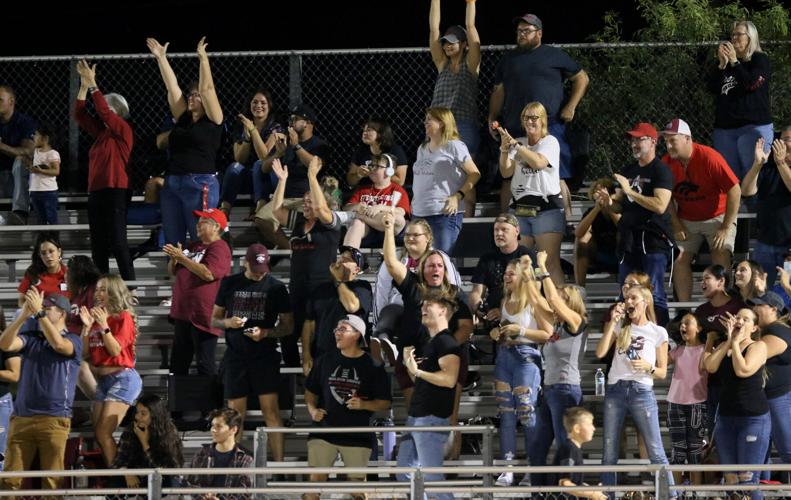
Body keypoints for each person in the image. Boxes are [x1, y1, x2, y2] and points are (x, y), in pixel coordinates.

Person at [488, 13, 589, 214]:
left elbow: (582, 78)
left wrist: (571, 106)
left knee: (557, 174)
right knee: (509, 176)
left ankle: (567, 221)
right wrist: (492, 116)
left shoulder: (554, 55)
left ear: (539, 33)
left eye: (527, 31)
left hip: (549, 125)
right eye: (519, 31)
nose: (521, 34)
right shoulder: (508, 59)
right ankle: (506, 223)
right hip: (515, 126)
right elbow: (498, 91)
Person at [380, 210, 473, 411]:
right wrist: (388, 229)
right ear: (421, 269)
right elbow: (391, 263)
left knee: (448, 418)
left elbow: (466, 326)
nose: (435, 269)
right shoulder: (412, 285)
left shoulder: (454, 293)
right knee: (416, 414)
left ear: (445, 270)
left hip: (445, 359)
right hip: (412, 355)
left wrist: (442, 348)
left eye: (439, 266)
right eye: (430, 266)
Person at [212, 243, 293, 462]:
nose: (259, 274)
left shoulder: (276, 287)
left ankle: (279, 466)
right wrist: (229, 322)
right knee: (235, 414)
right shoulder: (229, 283)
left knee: (271, 411)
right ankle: (233, 466)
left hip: (265, 355)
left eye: (263, 270)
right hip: (236, 355)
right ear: (245, 263)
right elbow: (214, 319)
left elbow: (288, 326)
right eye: (256, 270)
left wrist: (266, 332)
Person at [304, 316, 392, 500]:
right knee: (313, 486)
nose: (337, 333)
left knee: (357, 489)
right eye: (336, 329)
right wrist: (312, 410)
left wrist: (364, 405)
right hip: (324, 430)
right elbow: (310, 391)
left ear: (357, 334)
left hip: (357, 433)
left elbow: (385, 402)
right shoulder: (324, 360)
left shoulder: (373, 366)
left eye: (343, 329)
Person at [0, 290, 80, 491]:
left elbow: (59, 345)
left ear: (62, 313)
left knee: (52, 483)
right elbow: (5, 344)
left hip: (54, 418)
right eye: (41, 307)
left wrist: (39, 314)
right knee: (9, 482)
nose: (41, 310)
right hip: (21, 417)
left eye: (47, 308)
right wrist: (23, 316)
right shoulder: (32, 338)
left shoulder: (74, 339)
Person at [147, 37, 224, 245]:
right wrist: (161, 58)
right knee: (173, 243)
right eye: (190, 94)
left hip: (200, 184)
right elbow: (172, 87)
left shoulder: (214, 119)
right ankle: (177, 268)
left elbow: (208, 89)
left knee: (201, 239)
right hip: (173, 184)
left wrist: (203, 59)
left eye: (196, 95)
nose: (191, 97)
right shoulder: (183, 118)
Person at [595, 286, 673, 490]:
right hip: (615, 389)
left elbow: (662, 372)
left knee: (655, 448)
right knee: (609, 450)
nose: (629, 302)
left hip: (641, 390)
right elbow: (600, 352)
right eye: (626, 298)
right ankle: (607, 494)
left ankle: (670, 494)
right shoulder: (621, 327)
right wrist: (612, 322)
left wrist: (648, 367)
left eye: (633, 298)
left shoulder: (658, 332)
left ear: (645, 302)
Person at [596, 122, 674, 326]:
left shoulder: (661, 170)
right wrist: (608, 202)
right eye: (632, 140)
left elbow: (660, 205)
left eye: (640, 139)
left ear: (653, 141)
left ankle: (659, 337)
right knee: (627, 293)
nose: (634, 143)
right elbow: (620, 206)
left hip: (653, 240)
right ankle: (628, 337)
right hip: (629, 240)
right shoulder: (629, 170)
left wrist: (630, 191)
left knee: (654, 294)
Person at [270, 156, 341, 367]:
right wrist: (282, 180)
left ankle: (318, 375)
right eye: (305, 201)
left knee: (318, 337)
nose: (307, 204)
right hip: (298, 288)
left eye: (311, 200)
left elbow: (321, 210)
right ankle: (294, 374)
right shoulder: (299, 222)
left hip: (322, 289)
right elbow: (276, 211)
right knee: (289, 335)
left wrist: (312, 176)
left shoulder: (330, 223)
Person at [663, 118, 741, 302]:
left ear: (687, 139)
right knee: (680, 258)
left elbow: (735, 190)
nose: (668, 145)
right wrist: (676, 224)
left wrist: (725, 227)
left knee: (720, 252)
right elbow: (665, 197)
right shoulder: (666, 162)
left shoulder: (709, 157)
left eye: (672, 140)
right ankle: (683, 309)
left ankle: (723, 304)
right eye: (665, 141)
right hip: (687, 218)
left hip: (718, 216)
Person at [490, 256, 552, 487]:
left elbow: (548, 333)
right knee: (506, 413)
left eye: (511, 273)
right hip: (505, 355)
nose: (506, 277)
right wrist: (497, 333)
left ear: (522, 277)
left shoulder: (534, 300)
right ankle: (507, 469)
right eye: (505, 273)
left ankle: (531, 469)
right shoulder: (504, 300)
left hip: (527, 357)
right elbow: (505, 331)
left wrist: (521, 330)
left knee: (527, 411)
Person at [530, 251, 589, 488]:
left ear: (571, 302)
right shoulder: (556, 326)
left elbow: (551, 300)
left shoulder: (577, 322)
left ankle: (569, 490)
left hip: (566, 389)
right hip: (549, 391)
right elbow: (537, 301)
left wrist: (542, 265)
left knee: (566, 447)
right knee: (537, 447)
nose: (555, 301)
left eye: (561, 298)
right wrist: (528, 274)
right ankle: (539, 493)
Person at [396, 289, 461, 500]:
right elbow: (423, 381)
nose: (422, 309)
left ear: (442, 310)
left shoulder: (446, 342)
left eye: (428, 305)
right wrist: (410, 366)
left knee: (432, 480)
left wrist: (417, 372)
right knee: (404, 473)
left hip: (431, 418)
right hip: (417, 416)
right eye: (422, 305)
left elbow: (449, 379)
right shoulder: (430, 343)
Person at [74, 59, 136, 280]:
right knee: (98, 243)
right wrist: (84, 86)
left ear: (118, 112)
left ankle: (131, 287)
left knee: (118, 241)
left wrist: (93, 84)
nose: (102, 112)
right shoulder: (102, 134)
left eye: (108, 108)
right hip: (97, 192)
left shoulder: (123, 130)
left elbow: (104, 112)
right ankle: (101, 288)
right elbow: (79, 115)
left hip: (116, 190)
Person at [371, 218, 461, 362]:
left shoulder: (438, 258)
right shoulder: (397, 258)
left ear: (428, 238)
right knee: (390, 311)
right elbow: (382, 290)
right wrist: (377, 323)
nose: (410, 238)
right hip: (400, 308)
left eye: (415, 235)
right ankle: (383, 340)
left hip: (429, 308)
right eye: (407, 235)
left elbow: (453, 287)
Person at [703, 308, 769, 496]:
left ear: (754, 327)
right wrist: (729, 341)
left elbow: (743, 370)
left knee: (748, 481)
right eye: (738, 317)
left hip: (752, 419)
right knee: (731, 481)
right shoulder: (726, 345)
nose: (739, 320)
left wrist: (735, 343)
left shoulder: (758, 346)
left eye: (745, 319)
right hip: (726, 419)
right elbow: (710, 366)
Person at [497, 102, 565, 284]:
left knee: (548, 264)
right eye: (526, 117)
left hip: (546, 209)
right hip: (520, 208)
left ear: (543, 120)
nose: (529, 121)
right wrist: (504, 149)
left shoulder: (550, 142)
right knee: (521, 264)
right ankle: (525, 301)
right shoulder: (519, 141)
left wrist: (516, 146)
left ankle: (558, 300)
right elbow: (506, 172)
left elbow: (539, 163)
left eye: (534, 117)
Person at [78, 275, 141, 467]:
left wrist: (105, 326)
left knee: (103, 433)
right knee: (98, 434)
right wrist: (87, 328)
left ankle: (120, 478)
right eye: (97, 289)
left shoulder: (123, 317)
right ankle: (115, 475)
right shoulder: (96, 318)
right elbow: (83, 353)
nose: (98, 293)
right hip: (103, 381)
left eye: (103, 289)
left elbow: (115, 350)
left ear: (114, 292)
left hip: (123, 378)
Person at [428, 0, 481, 217]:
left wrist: (470, 4)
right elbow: (434, 30)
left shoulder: (471, 64)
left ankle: (467, 219)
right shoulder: (442, 64)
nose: (447, 46)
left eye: (452, 42)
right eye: (445, 43)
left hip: (464, 124)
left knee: (466, 172)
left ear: (464, 44)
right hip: (440, 125)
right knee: (438, 169)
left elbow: (471, 29)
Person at [164, 208, 231, 376]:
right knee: (178, 364)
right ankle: (177, 393)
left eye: (203, 222)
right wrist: (174, 259)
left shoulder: (220, 247)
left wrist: (182, 258)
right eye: (198, 222)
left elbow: (209, 274)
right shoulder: (193, 246)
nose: (198, 225)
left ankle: (210, 394)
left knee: (205, 363)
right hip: (184, 314)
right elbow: (172, 271)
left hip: (203, 314)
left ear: (216, 227)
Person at [254, 104, 330, 249]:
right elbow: (264, 168)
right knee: (261, 219)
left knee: (311, 219)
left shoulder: (319, 145)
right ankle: (291, 249)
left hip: (306, 200)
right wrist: (278, 153)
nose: (291, 122)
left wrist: (296, 146)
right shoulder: (286, 143)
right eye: (291, 119)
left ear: (307, 123)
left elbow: (315, 165)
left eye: (295, 119)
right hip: (285, 198)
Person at [709, 21, 773, 180]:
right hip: (725, 129)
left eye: (739, 34)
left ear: (750, 37)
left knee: (752, 178)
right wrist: (722, 65)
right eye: (732, 35)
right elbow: (711, 89)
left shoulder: (759, 60)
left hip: (752, 127)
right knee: (729, 178)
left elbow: (751, 84)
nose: (734, 38)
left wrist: (735, 62)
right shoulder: (726, 64)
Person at [411, 107, 480, 254]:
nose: (425, 122)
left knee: (440, 259)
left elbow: (474, 174)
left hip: (443, 214)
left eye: (429, 119)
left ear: (442, 122)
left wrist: (458, 196)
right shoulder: (422, 149)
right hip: (419, 212)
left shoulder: (454, 146)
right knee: (419, 260)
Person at [302, 246, 372, 376]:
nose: (341, 260)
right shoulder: (320, 289)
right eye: (341, 256)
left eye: (347, 259)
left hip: (351, 359)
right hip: (322, 356)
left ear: (357, 269)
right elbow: (309, 324)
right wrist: (306, 355)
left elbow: (351, 306)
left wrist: (338, 280)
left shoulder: (363, 287)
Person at [695, 264, 745, 436]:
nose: (702, 283)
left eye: (707, 278)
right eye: (701, 279)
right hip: (712, 380)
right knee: (714, 433)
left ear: (721, 281)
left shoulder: (739, 307)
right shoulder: (701, 311)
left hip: (735, 377)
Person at [220, 88, 282, 218]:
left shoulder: (275, 127)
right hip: (247, 177)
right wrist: (247, 139)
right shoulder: (241, 126)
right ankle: (224, 211)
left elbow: (264, 156)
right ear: (250, 105)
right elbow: (239, 158)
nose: (258, 105)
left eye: (263, 103)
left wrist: (253, 130)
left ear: (269, 106)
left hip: (268, 177)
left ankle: (259, 210)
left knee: (259, 164)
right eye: (255, 102)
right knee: (234, 167)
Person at [749, 292, 791, 480]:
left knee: (788, 449)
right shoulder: (768, 331)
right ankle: (759, 490)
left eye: (760, 305)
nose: (754, 309)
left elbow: (751, 357)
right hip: (766, 398)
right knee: (760, 452)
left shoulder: (777, 330)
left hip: (778, 397)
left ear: (774, 309)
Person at [742, 128, 791, 286]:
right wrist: (757, 165)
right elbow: (747, 191)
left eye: (788, 140)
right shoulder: (769, 168)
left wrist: (781, 163)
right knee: (758, 289)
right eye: (782, 139)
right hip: (766, 241)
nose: (783, 144)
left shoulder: (779, 164)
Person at [468, 213, 533, 328]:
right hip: (492, 316)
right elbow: (477, 291)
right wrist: (477, 307)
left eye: (504, 230)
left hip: (521, 317)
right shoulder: (487, 258)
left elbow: (533, 293)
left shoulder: (527, 256)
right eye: (496, 230)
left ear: (517, 231)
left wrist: (504, 312)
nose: (499, 233)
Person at [666, 313, 707, 485]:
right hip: (675, 404)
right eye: (682, 323)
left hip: (698, 404)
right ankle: (677, 494)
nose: (683, 326)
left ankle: (695, 493)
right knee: (678, 452)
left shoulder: (706, 350)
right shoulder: (677, 350)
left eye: (688, 323)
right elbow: (661, 362)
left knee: (694, 453)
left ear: (699, 328)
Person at [342, 153, 411, 249]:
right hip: (367, 231)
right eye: (371, 166)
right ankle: (348, 255)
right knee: (357, 223)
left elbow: (401, 211)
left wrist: (380, 208)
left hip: (390, 233)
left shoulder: (398, 190)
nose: (371, 169)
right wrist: (356, 206)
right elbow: (346, 208)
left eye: (377, 166)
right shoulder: (363, 190)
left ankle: (360, 216)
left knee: (398, 219)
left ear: (389, 171)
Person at [113, 393, 183, 488]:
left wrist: (144, 443)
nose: (138, 417)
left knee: (170, 481)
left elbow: (166, 469)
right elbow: (118, 461)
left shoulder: (169, 431)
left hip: (161, 478)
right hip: (137, 476)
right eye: (137, 412)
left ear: (155, 415)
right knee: (116, 482)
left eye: (143, 414)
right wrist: (127, 473)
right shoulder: (130, 430)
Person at [184, 407, 253, 497]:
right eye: (212, 425)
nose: (213, 429)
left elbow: (244, 492)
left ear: (233, 429)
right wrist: (203, 496)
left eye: (219, 426)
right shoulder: (201, 454)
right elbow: (190, 484)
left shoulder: (245, 459)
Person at [553, 407, 608, 500]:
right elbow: (564, 483)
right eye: (589, 424)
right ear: (577, 428)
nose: (594, 428)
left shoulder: (574, 449)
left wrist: (592, 490)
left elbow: (575, 482)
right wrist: (592, 494)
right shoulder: (569, 450)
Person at [0, 84, 36, 223]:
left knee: (21, 160)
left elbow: (29, 151)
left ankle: (20, 212)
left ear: (11, 102)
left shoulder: (24, 122)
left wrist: (2, 147)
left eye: (0, 100)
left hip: (16, 178)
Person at [574, 178, 619, 286]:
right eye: (597, 191)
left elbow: (623, 226)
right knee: (582, 240)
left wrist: (608, 207)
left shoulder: (619, 208)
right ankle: (580, 288)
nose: (600, 195)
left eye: (603, 191)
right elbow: (578, 233)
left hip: (619, 254)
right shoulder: (592, 211)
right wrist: (597, 209)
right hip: (598, 253)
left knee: (622, 235)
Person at [346, 117, 409, 187]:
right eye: (364, 130)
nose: (364, 133)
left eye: (369, 130)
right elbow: (350, 181)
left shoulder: (395, 150)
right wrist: (359, 175)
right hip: (366, 190)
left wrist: (377, 171)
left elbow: (400, 182)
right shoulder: (360, 151)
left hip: (387, 191)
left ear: (381, 133)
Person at [17, 232, 66, 308]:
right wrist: (37, 310)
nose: (48, 256)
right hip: (36, 313)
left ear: (59, 252)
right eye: (43, 253)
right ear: (40, 255)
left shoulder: (69, 274)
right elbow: (21, 301)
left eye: (51, 251)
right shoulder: (32, 272)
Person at [27, 123, 60, 225]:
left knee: (51, 217)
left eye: (36, 134)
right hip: (35, 190)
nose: (33, 136)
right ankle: (42, 235)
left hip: (48, 191)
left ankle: (54, 234)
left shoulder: (52, 154)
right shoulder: (36, 151)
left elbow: (56, 171)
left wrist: (40, 171)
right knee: (40, 218)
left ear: (45, 138)